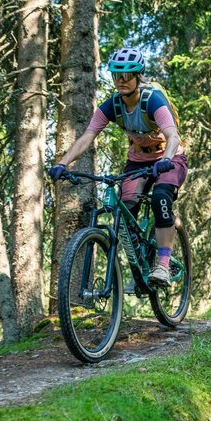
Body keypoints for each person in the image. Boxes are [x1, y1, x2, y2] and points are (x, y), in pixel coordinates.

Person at [48, 47, 187, 287]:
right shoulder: (112, 106)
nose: (121, 80)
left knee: (161, 198)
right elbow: (87, 136)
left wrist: (166, 159)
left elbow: (172, 135)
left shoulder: (152, 100)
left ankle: (163, 265)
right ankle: (142, 262)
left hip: (169, 157)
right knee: (125, 211)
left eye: (127, 74)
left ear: (138, 75)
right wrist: (62, 162)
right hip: (138, 160)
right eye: (116, 75)